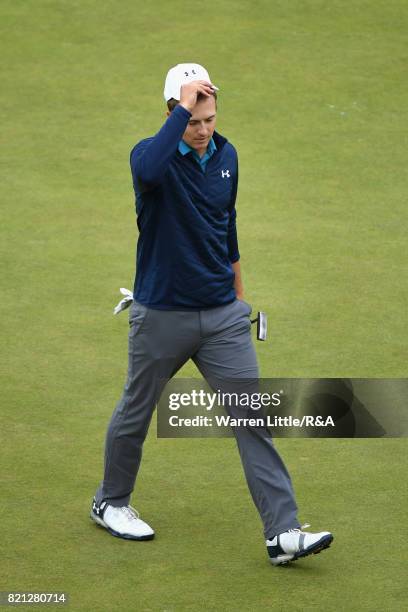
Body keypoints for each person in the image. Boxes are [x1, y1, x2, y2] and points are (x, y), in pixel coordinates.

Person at [90, 63, 333, 565]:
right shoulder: (149, 156)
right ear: (173, 113)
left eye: (210, 119)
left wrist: (240, 298)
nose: (203, 131)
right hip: (161, 315)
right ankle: (110, 502)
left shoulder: (227, 155)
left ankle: (282, 533)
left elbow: (228, 226)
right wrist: (181, 109)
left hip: (222, 316)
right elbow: (150, 171)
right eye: (194, 120)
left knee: (252, 419)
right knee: (136, 410)